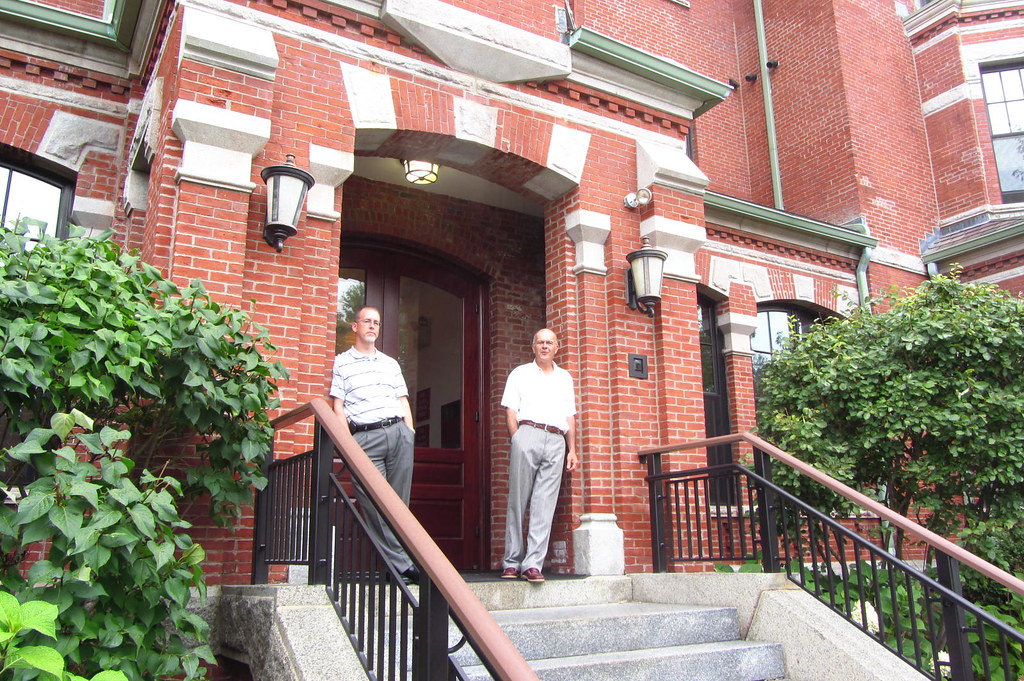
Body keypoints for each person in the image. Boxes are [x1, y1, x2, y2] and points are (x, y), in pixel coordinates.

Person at [330, 306, 419, 584]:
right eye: (367, 321)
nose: (372, 326)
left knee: (398, 504)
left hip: (398, 433)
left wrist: (409, 431)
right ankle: (403, 565)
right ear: (355, 326)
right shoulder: (342, 362)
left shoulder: (391, 363)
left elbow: (402, 399)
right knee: (373, 502)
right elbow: (338, 406)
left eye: (377, 323)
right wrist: (348, 445)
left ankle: (397, 566)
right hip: (365, 438)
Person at [500, 328, 578, 583]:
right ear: (533, 347)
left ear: (556, 348)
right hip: (528, 433)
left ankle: (533, 564)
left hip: (556, 439)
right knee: (518, 500)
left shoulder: (565, 378)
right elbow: (510, 410)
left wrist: (572, 449)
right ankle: (512, 561)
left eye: (549, 342)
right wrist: (517, 438)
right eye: (540, 342)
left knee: (544, 505)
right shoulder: (520, 373)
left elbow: (570, 415)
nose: (544, 346)